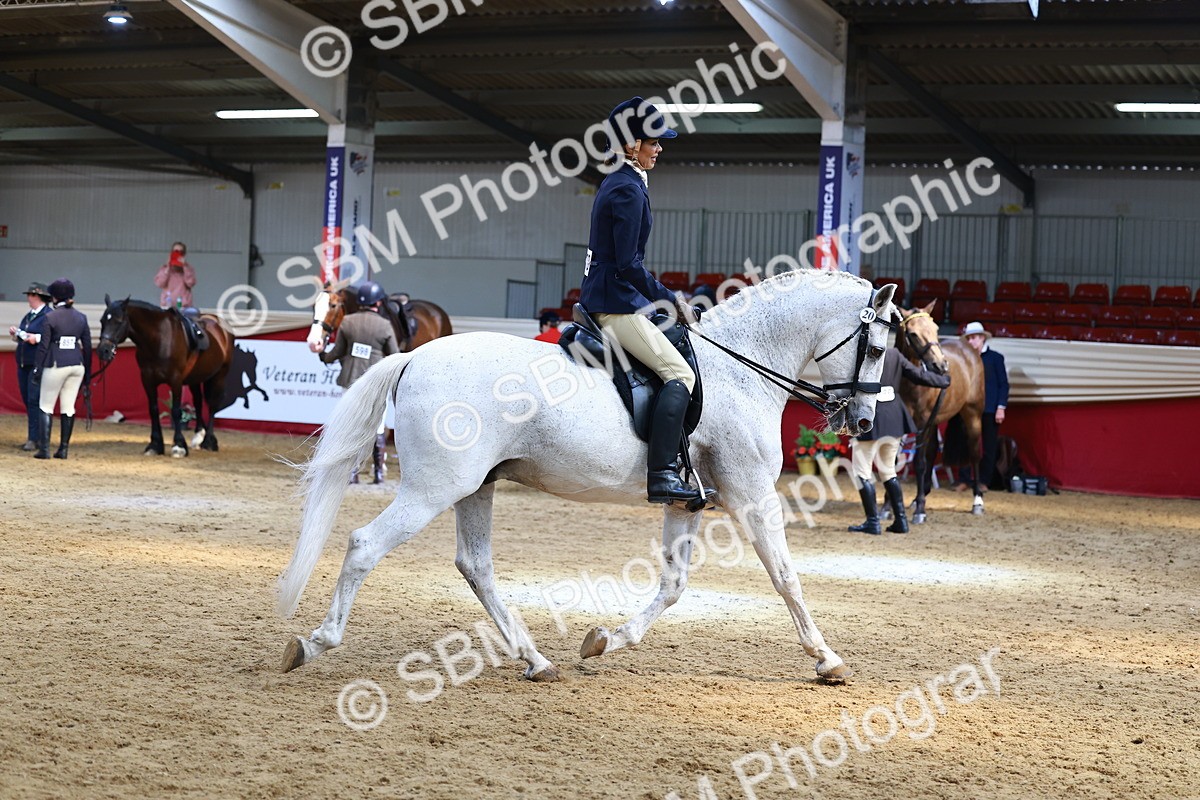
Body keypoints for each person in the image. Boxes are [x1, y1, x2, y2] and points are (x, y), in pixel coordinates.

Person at [579, 96, 706, 507]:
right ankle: (662, 474)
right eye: (654, 141)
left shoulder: (617, 182)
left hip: (614, 296)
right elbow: (630, 266)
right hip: (614, 304)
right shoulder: (627, 190)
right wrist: (674, 301)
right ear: (632, 144)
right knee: (680, 375)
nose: (660, 148)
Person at [849, 347, 951, 534]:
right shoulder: (895, 354)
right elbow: (918, 375)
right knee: (888, 471)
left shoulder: (859, 352)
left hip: (869, 416)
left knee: (861, 472)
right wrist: (943, 381)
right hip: (894, 416)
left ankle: (872, 522)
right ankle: (901, 521)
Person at [319, 281, 400, 483]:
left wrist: (323, 356)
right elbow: (395, 356)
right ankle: (378, 474)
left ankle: (353, 472)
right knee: (378, 427)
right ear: (378, 303)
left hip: (351, 382)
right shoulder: (385, 325)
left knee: (351, 426)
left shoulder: (347, 322)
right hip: (376, 383)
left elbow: (337, 353)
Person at [32, 279, 91, 460]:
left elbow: (43, 346)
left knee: (45, 405)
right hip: (77, 365)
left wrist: (37, 368)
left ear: (55, 298)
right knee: (68, 406)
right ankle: (63, 449)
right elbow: (87, 347)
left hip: (56, 364)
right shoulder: (81, 317)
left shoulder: (50, 317)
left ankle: (45, 449)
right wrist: (87, 374)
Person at [961, 320, 1009, 490]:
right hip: (968, 409)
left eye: (974, 338)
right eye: (969, 338)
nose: (971, 341)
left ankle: (984, 482)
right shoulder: (965, 359)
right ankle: (965, 480)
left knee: (989, 446)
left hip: (989, 408)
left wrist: (1000, 407)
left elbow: (1003, 384)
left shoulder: (995, 358)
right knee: (966, 444)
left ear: (982, 338)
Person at [8, 282, 52, 450]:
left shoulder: (48, 315)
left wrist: (37, 338)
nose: (29, 298)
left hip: (36, 362)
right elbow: (23, 336)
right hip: (24, 362)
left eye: (31, 295)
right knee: (28, 400)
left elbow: (50, 336)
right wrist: (17, 335)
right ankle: (35, 436)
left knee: (35, 400)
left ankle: (36, 438)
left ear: (38, 297)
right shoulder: (29, 316)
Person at [155, 242, 197, 309]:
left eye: (181, 252)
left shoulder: (188, 269)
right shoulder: (164, 268)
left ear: (184, 254)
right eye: (175, 251)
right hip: (167, 306)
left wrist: (185, 267)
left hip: (183, 307)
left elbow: (191, 283)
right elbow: (159, 284)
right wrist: (168, 268)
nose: (178, 254)